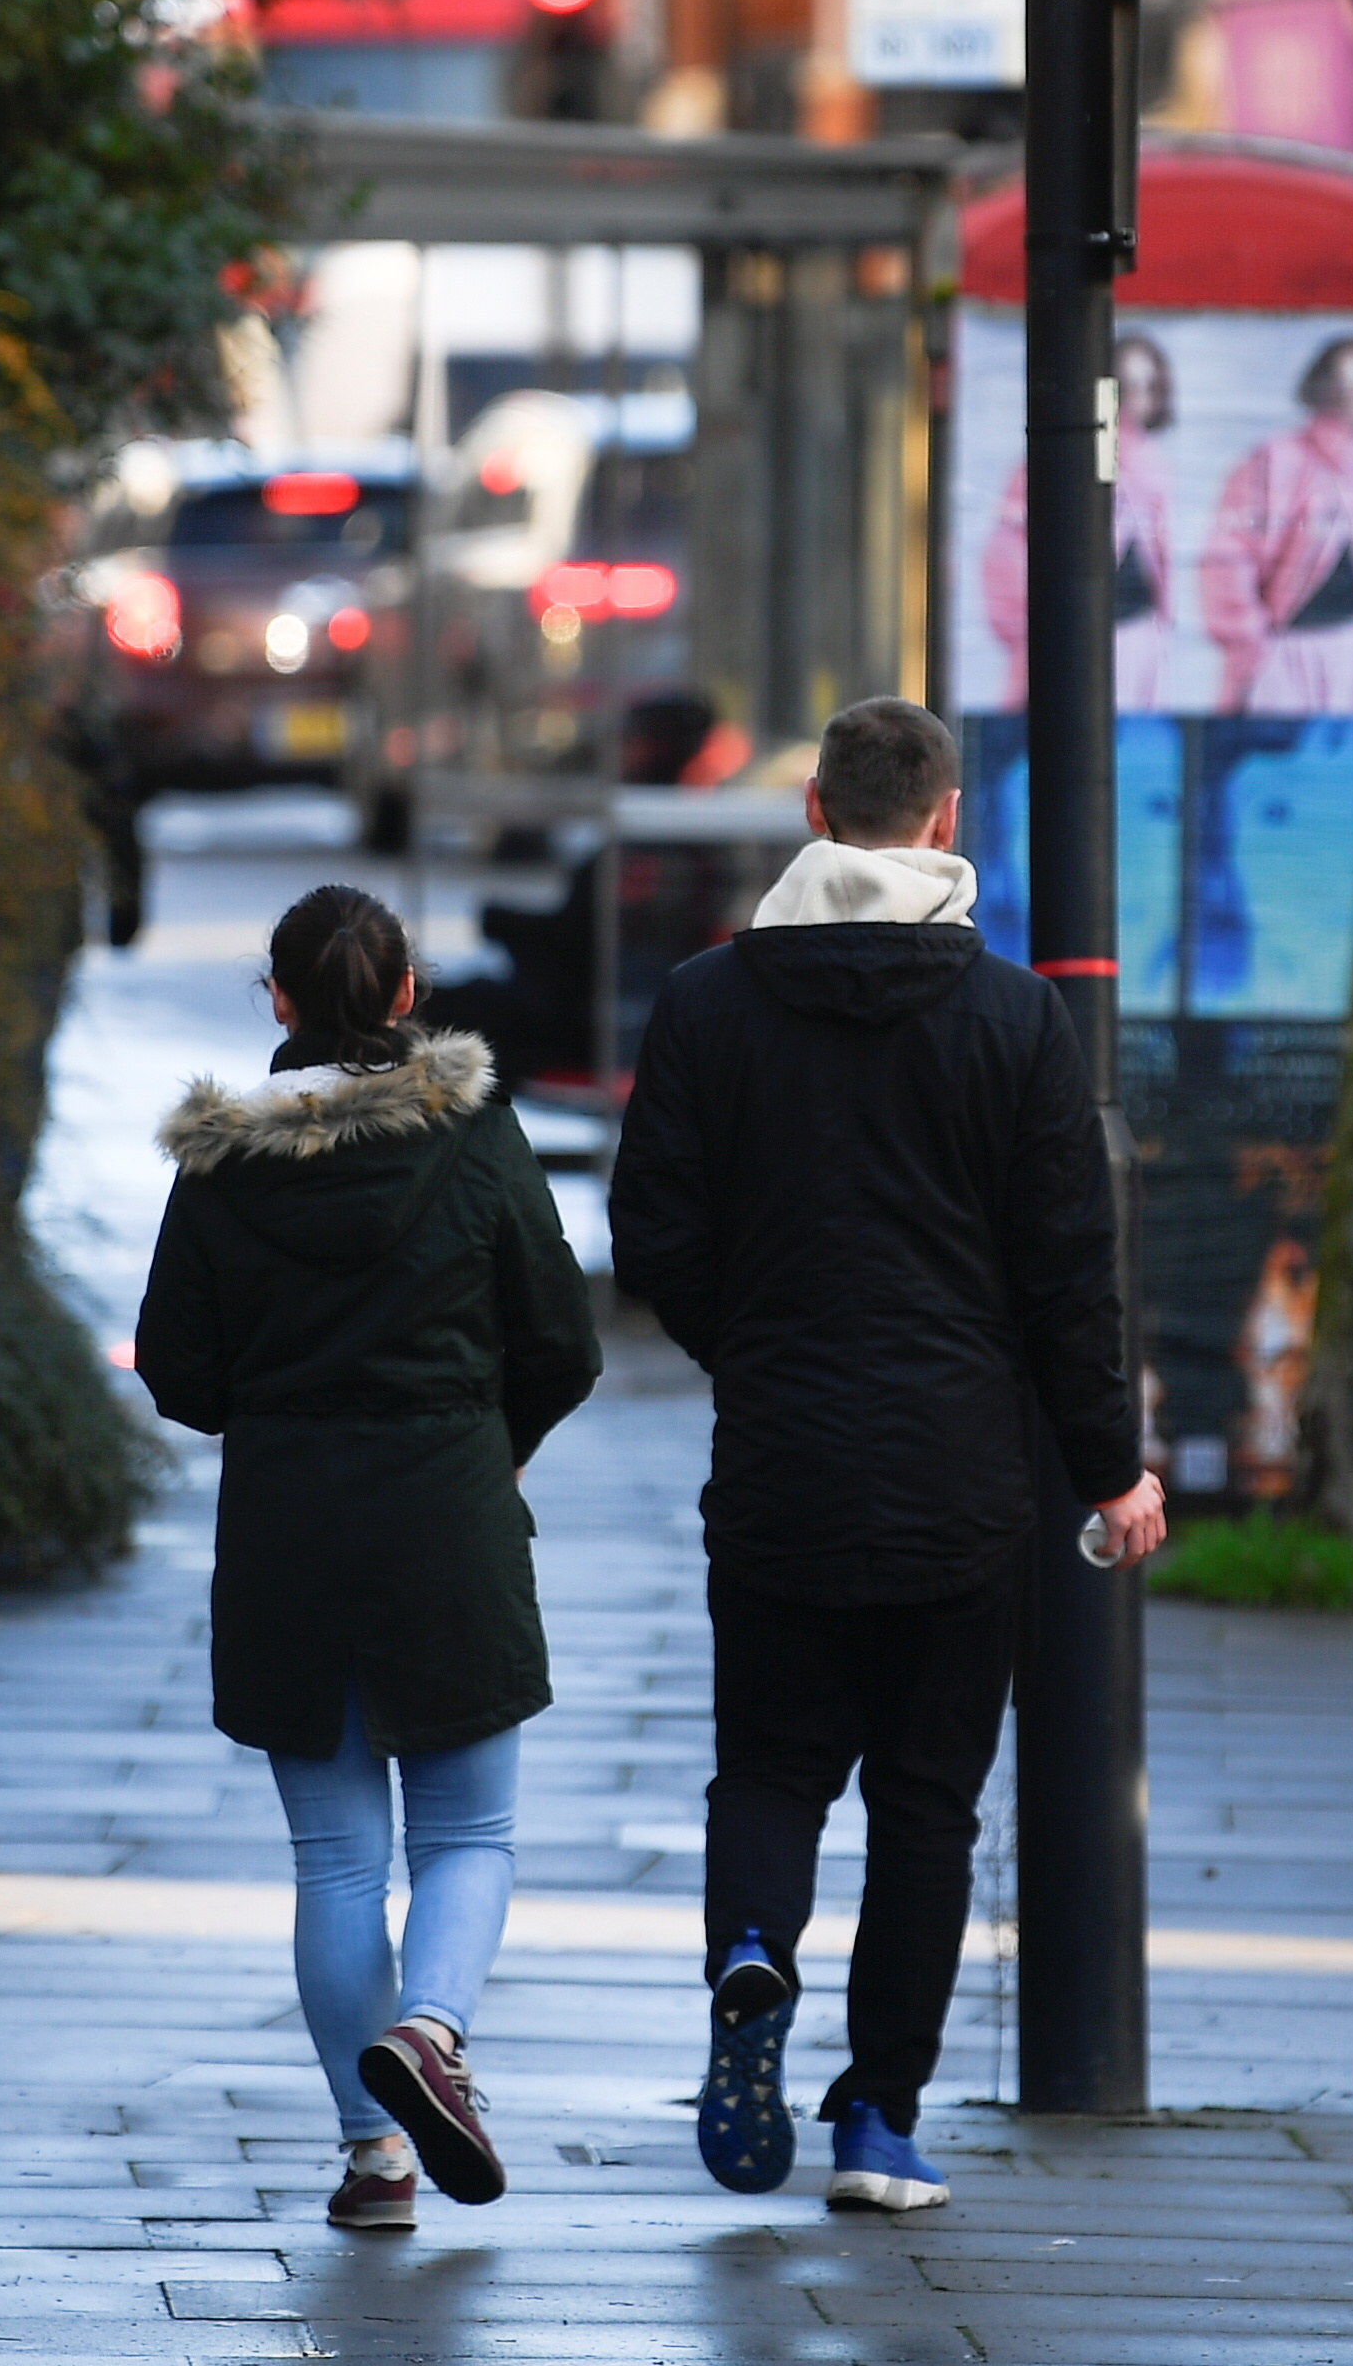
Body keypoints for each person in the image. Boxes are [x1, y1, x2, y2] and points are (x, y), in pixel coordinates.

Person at [608, 698, 1163, 2216]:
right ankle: (878, 2126)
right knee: (926, 1807)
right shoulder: (1012, 1020)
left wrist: (761, 1346)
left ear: (809, 810)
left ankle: (748, 1955)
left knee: (773, 1767)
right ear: (945, 822)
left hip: (780, 1459)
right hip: (957, 1478)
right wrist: (1111, 1467)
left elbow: (652, 1232)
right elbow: (1069, 1277)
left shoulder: (710, 1006)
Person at [137, 886, 602, 2231]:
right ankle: (434, 2035)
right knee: (469, 1832)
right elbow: (560, 1336)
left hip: (290, 1529)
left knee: (337, 1865)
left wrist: (278, 1419)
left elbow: (178, 1364)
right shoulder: (472, 1133)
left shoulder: (226, 1160)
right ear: (409, 995)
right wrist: (491, 1440)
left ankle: (374, 2155)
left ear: (278, 1003)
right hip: (447, 1514)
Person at [982, 330, 1185, 709]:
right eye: (1125, 385)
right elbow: (1004, 554)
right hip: (1066, 644)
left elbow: (1163, 560)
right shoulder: (1043, 466)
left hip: (1140, 643)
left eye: (1147, 385)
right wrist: (1033, 633)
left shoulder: (1158, 469)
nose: (1135, 398)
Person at [1199, 330, 1353, 713]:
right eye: (1343, 385)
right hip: (1285, 656)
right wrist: (1251, 642)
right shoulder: (1273, 460)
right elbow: (1227, 556)